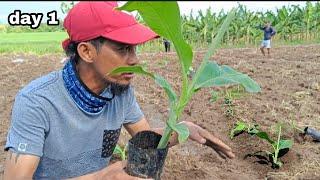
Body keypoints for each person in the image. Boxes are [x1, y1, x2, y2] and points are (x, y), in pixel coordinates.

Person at [3, 2, 235, 179]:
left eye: (134, 48)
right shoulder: (37, 101)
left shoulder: (119, 92)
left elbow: (145, 140)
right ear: (86, 52)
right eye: (123, 48)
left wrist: (183, 130)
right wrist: (103, 176)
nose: (134, 60)